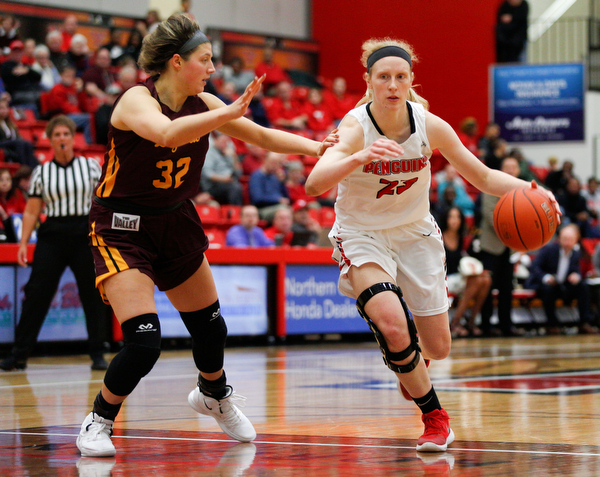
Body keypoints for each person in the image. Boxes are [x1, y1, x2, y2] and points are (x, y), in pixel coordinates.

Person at [74, 13, 336, 458]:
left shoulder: (207, 103)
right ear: (177, 62)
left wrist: (315, 147)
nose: (213, 69)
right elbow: (166, 133)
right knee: (143, 341)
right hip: (121, 227)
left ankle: (212, 394)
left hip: (174, 221)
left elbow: (258, 135)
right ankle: (99, 419)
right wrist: (227, 113)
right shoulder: (136, 100)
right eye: (206, 60)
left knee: (212, 329)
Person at [304, 37, 559, 452]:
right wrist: (358, 157)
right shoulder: (354, 126)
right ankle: (435, 417)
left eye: (400, 77)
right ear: (368, 81)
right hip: (362, 234)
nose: (392, 84)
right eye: (383, 77)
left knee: (438, 346)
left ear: (410, 81)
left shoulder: (429, 125)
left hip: (416, 235)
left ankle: (414, 362)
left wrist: (537, 191)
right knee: (390, 320)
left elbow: (483, 177)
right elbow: (315, 183)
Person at [0, 115, 109, 372]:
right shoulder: (42, 172)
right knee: (36, 293)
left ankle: (97, 352)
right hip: (53, 233)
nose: (62, 139)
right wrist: (24, 243)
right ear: (49, 140)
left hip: (84, 232)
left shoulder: (90, 167)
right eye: (57, 135)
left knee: (92, 294)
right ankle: (19, 354)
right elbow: (31, 211)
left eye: (66, 134)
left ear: (73, 138)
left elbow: (103, 203)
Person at [525, 224, 598, 335]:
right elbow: (535, 267)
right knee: (549, 289)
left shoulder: (576, 252)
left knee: (583, 287)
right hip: (544, 284)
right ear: (559, 238)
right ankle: (551, 324)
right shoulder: (549, 249)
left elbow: (576, 270)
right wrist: (546, 277)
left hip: (562, 285)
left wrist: (576, 275)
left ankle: (584, 323)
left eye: (570, 240)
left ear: (576, 240)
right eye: (565, 239)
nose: (567, 242)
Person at [478, 156, 522, 337]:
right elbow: (491, 216)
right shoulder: (491, 188)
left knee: (506, 289)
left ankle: (506, 325)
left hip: (509, 248)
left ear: (518, 170)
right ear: (502, 169)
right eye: (507, 166)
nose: (510, 170)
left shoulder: (522, 191)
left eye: (513, 166)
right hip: (490, 246)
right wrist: (516, 227)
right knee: (487, 289)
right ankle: (486, 326)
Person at [441, 206, 491, 337]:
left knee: (486, 279)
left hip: (458, 276)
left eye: (457, 217)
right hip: (443, 279)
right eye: (451, 216)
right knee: (475, 281)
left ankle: (471, 320)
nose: (454, 220)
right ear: (445, 219)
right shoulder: (438, 237)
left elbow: (464, 261)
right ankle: (455, 323)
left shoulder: (462, 238)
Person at [200, 131, 244, 205]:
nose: (225, 144)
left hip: (228, 182)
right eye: (223, 141)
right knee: (235, 187)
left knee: (237, 186)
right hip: (213, 185)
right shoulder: (209, 152)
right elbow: (207, 174)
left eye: (227, 142)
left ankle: (236, 210)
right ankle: (236, 211)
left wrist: (234, 156)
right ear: (216, 141)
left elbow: (239, 172)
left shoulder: (229, 152)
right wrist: (224, 179)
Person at [249, 151, 290, 221]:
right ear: (265, 160)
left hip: (279, 207)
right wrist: (277, 199)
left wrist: (282, 182)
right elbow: (257, 198)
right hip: (263, 209)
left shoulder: (275, 177)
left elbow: (286, 197)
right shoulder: (257, 176)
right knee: (284, 211)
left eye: (277, 163)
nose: (275, 165)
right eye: (273, 162)